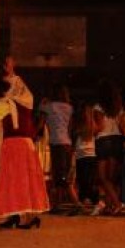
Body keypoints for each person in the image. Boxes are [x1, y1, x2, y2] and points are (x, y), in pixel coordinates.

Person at [0, 57, 49, 229]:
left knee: (13, 181)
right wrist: (11, 71)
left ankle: (24, 217)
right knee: (24, 181)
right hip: (26, 144)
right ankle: (19, 216)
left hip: (13, 145)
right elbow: (17, 85)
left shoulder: (7, 103)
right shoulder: (27, 101)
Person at [40, 84, 80, 213]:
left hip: (56, 144)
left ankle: (73, 204)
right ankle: (59, 204)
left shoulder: (49, 107)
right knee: (64, 176)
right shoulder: (69, 108)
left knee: (58, 176)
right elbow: (70, 128)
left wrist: (42, 104)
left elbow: (41, 120)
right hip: (67, 143)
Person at [93, 80, 125, 215]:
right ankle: (110, 205)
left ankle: (117, 204)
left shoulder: (98, 107)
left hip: (104, 140)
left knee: (103, 177)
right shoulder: (119, 107)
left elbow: (99, 127)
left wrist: (91, 129)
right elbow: (122, 127)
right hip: (117, 140)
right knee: (112, 178)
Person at [73, 101, 99, 210]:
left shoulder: (79, 124)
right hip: (91, 153)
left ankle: (85, 200)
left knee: (82, 179)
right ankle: (93, 200)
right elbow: (97, 131)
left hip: (81, 154)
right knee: (90, 179)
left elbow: (73, 134)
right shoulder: (92, 124)